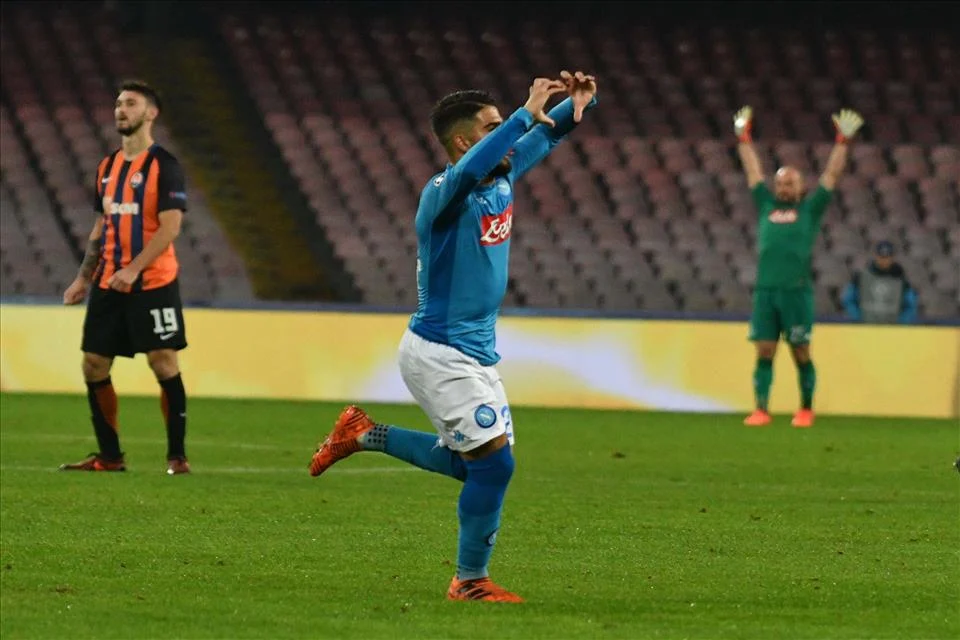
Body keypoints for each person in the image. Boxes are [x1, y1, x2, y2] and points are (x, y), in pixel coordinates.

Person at [308, 72, 598, 602]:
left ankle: (364, 434)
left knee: (475, 467)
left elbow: (546, 136)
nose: (511, 134)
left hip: (478, 355)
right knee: (496, 465)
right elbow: (480, 163)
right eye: (494, 127)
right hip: (439, 352)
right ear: (465, 142)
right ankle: (469, 581)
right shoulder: (443, 195)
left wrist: (578, 106)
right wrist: (521, 115)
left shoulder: (502, 175)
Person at [60, 80, 191, 475]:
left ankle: (177, 457)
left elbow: (170, 227)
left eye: (131, 103)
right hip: (108, 282)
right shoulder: (107, 167)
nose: (121, 109)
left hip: (153, 282)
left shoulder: (164, 166)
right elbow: (101, 226)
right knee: (93, 364)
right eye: (118, 103)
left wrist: (134, 268)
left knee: (163, 361)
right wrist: (83, 278)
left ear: (151, 113)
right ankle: (110, 456)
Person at [734, 105, 864, 428]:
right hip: (766, 291)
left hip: (795, 292)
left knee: (801, 352)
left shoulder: (810, 209)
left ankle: (805, 409)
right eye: (781, 183)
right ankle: (761, 409)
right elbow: (753, 172)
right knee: (764, 351)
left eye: (790, 184)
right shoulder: (766, 204)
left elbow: (831, 175)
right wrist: (743, 138)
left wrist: (842, 143)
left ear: (801, 187)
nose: (784, 188)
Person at [842, 240, 918, 324]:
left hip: (891, 327)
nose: (884, 260)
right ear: (876, 256)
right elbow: (848, 299)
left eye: (887, 257)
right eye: (881, 257)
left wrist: (901, 321)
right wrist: (858, 318)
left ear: (892, 258)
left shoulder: (901, 279)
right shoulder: (861, 277)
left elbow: (911, 304)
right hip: (866, 326)